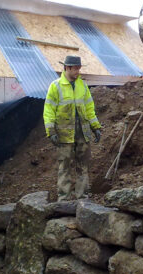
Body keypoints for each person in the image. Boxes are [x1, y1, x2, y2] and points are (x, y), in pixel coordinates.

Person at [43, 55, 102, 201]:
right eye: (75, 68)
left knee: (83, 166)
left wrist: (95, 127)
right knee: (65, 167)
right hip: (64, 134)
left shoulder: (82, 85)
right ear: (67, 68)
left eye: (79, 68)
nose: (78, 72)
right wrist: (51, 131)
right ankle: (64, 198)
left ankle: (83, 198)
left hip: (82, 132)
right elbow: (49, 110)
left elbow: (89, 108)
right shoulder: (56, 86)